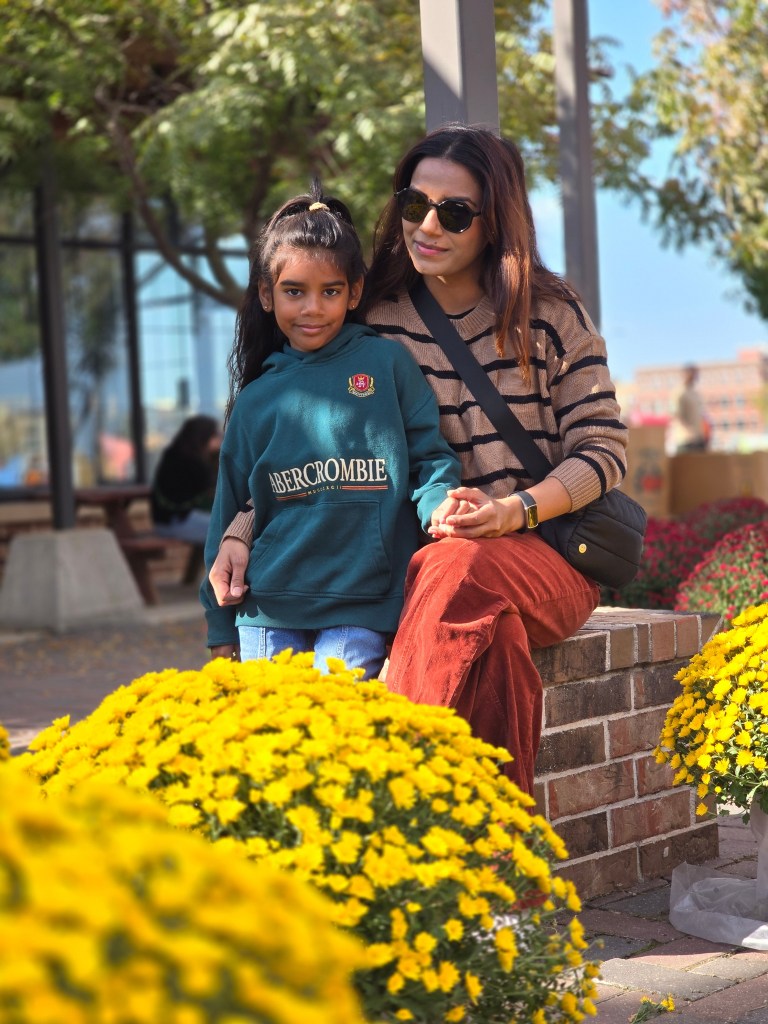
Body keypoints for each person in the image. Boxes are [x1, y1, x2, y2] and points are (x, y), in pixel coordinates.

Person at [209, 124, 628, 795]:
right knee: (496, 646)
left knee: (455, 565)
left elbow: (602, 449)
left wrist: (513, 510)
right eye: (414, 204)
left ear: (495, 223)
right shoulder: (370, 319)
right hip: (420, 564)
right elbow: (310, 448)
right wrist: (241, 527)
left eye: (454, 212)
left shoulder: (549, 314)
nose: (427, 226)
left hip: (543, 553)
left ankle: (391, 773)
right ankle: (493, 834)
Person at [200, 182, 461, 680]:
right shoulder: (256, 399)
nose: (312, 308)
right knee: (274, 724)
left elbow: (429, 458)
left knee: (337, 712)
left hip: (363, 601)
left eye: (331, 291)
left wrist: (438, 506)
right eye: (294, 291)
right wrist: (219, 625)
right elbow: (228, 508)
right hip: (267, 604)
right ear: (266, 295)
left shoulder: (386, 364)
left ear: (354, 292)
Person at [151, 414, 221, 545]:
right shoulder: (186, 461)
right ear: (203, 437)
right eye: (215, 434)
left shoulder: (176, 454)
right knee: (232, 532)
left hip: (175, 520)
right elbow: (214, 488)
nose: (220, 438)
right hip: (175, 522)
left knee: (233, 528)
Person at [675, 363, 710, 452]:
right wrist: (690, 432)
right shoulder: (679, 392)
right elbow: (676, 415)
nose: (693, 377)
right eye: (691, 373)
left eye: (695, 374)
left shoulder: (695, 394)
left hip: (699, 438)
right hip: (686, 440)